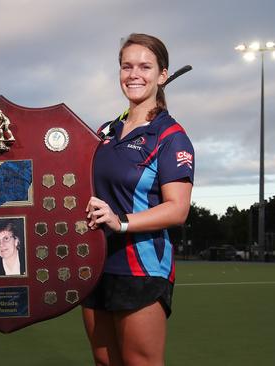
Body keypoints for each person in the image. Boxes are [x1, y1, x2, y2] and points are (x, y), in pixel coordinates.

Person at [82, 33, 195, 366]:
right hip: (95, 264)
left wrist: (122, 221)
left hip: (142, 268)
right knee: (105, 362)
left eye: (145, 67)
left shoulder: (171, 136)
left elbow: (178, 209)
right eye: (126, 66)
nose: (134, 74)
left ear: (162, 75)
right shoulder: (104, 131)